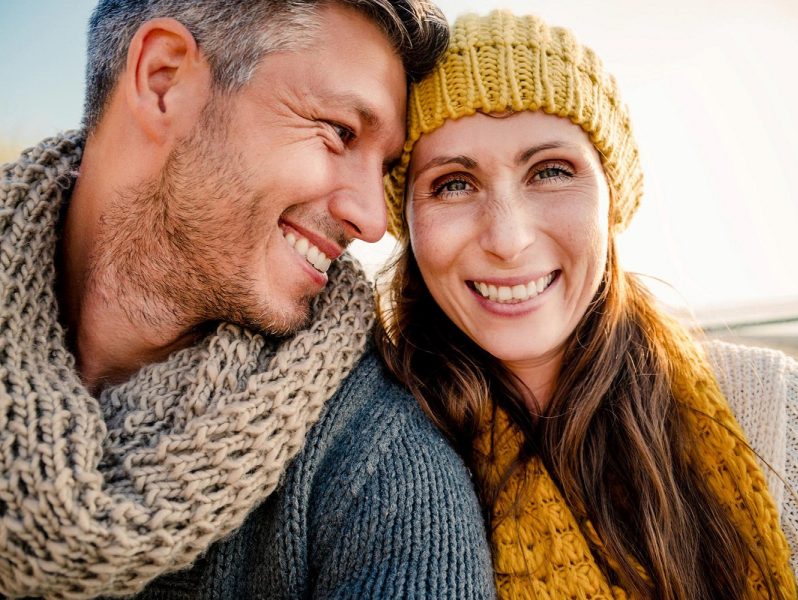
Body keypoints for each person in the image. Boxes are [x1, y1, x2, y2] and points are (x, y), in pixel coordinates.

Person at [0, 1, 494, 598]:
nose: (372, 219)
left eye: (385, 166)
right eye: (340, 133)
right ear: (163, 81)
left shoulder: (381, 472)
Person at [378, 10, 798, 599]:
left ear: (611, 197)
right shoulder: (365, 460)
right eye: (453, 183)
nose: (507, 238)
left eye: (550, 171)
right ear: (408, 222)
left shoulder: (774, 411)